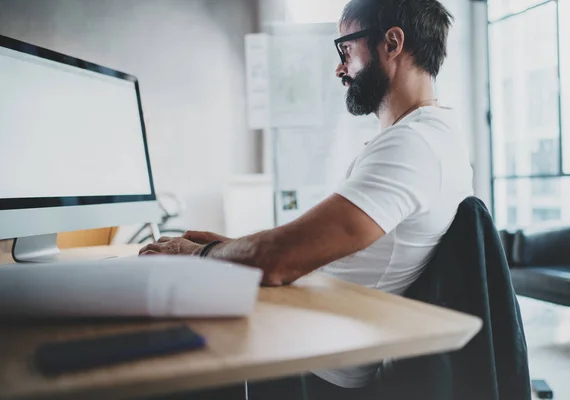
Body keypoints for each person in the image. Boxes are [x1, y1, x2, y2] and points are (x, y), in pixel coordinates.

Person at [140, 0, 473, 390]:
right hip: (319, 329)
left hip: (318, 366)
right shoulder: (436, 134)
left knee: (159, 345)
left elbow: (281, 261)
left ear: (392, 43)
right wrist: (235, 248)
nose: (339, 68)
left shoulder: (413, 146)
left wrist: (200, 255)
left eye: (346, 49)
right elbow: (320, 251)